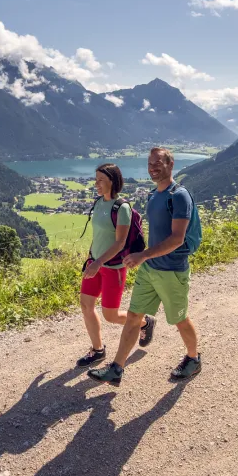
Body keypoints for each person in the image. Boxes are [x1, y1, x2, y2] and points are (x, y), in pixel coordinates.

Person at [87, 147, 201, 385]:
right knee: (133, 317)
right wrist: (144, 258)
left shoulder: (178, 196)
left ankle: (193, 358)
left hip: (171, 270)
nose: (153, 167)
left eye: (158, 163)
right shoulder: (153, 195)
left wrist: (143, 255)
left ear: (171, 164)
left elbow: (177, 238)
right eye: (150, 164)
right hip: (150, 269)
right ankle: (116, 368)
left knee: (179, 319)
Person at [75, 164, 131, 368]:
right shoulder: (99, 203)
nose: (96, 183)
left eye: (100, 180)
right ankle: (98, 350)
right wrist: (91, 258)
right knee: (85, 305)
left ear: (112, 181)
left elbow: (120, 243)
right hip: (95, 264)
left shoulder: (122, 208)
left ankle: (143, 323)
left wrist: (98, 263)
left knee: (111, 315)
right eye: (95, 179)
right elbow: (98, 236)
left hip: (113, 268)